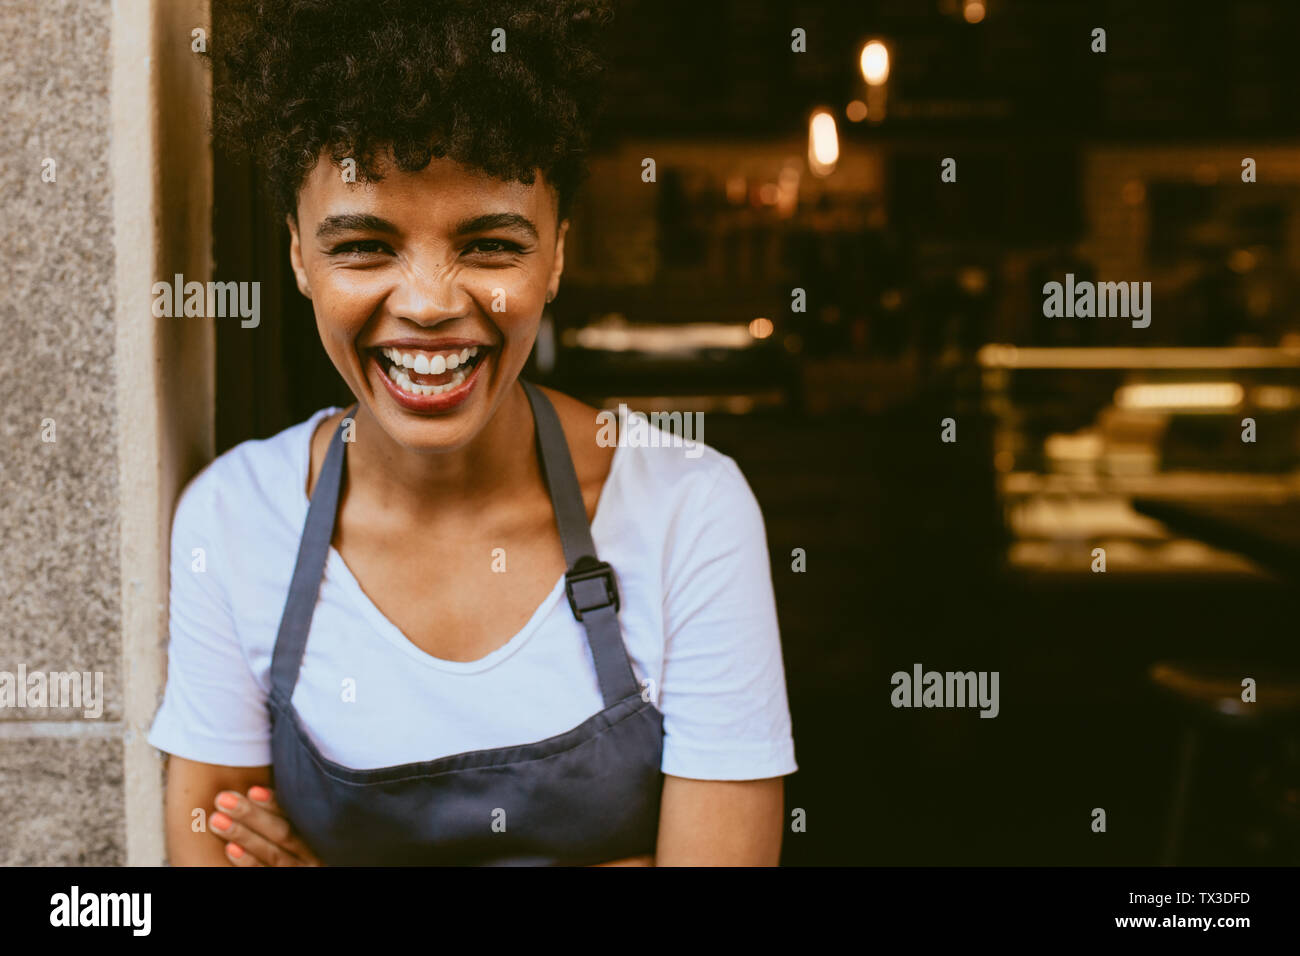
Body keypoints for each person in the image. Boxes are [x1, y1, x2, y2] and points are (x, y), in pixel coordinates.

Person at [147, 0, 797, 866]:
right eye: (364, 246)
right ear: (297, 254)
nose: (427, 303)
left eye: (489, 245)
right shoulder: (231, 520)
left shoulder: (690, 510)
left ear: (558, 254)